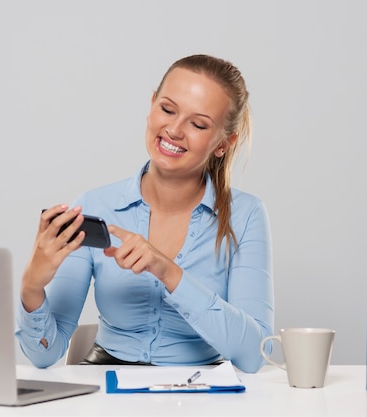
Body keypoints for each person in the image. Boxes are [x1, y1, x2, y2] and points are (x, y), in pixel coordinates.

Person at [15, 54, 274, 373]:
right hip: (108, 389)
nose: (174, 130)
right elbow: (44, 355)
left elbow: (253, 356)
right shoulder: (95, 206)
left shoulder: (246, 215)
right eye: (167, 109)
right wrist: (31, 287)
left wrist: (169, 272)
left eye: (198, 124)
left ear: (223, 143)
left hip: (202, 392)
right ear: (152, 105)